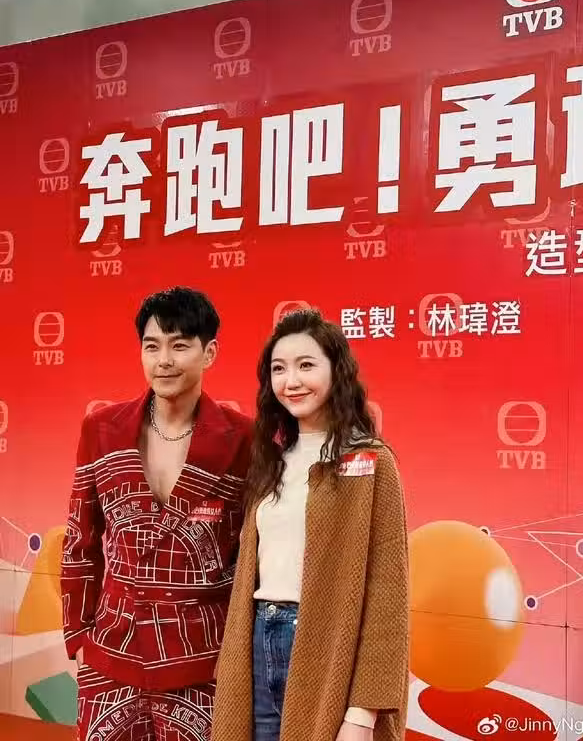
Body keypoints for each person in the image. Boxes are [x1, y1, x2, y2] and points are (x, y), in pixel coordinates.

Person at [61, 286, 253, 741]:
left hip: (202, 661)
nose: (164, 360)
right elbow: (80, 541)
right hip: (111, 656)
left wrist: (238, 654)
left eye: (179, 345)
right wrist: (78, 636)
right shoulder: (102, 429)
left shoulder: (246, 439)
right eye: (152, 346)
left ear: (210, 353)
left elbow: (253, 558)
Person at [211, 308, 409, 741]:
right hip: (257, 639)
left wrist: (363, 712)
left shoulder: (371, 461)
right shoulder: (271, 463)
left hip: (325, 647)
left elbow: (387, 595)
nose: (291, 381)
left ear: (337, 371)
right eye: (279, 369)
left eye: (306, 365)